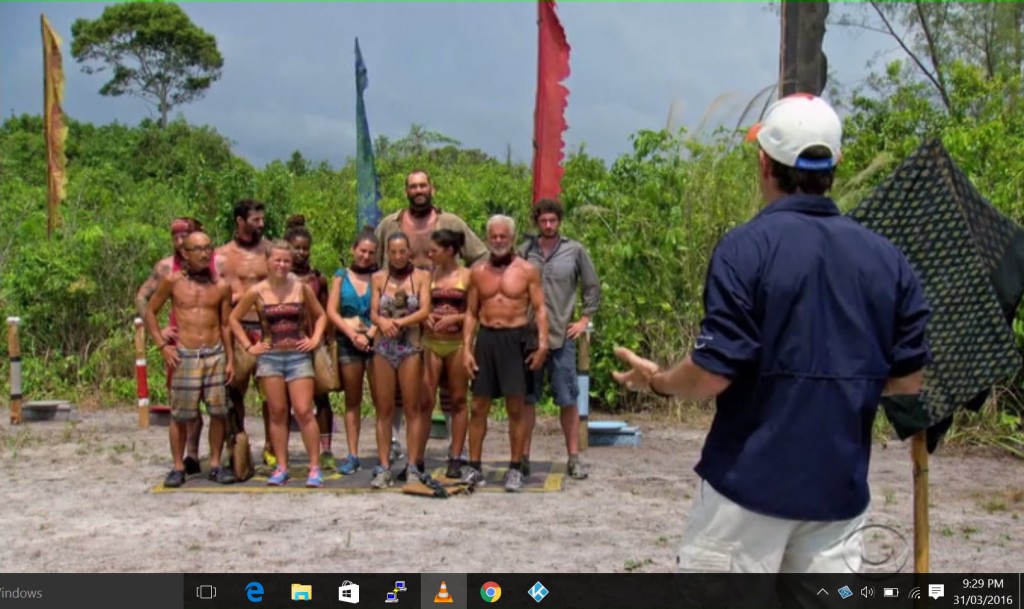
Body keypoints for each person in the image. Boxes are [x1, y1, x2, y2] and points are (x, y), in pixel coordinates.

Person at [612, 94, 931, 579]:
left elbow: (710, 375)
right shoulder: (889, 261)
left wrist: (657, 380)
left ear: (764, 162)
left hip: (748, 490)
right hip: (837, 498)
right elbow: (908, 384)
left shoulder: (746, 249)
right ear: (835, 163)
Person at [374, 170, 487, 464]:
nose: (418, 190)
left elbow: (480, 256)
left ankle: (455, 448)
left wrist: (478, 296)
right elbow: (374, 264)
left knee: (452, 389)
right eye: (413, 186)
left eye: (423, 185)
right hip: (403, 320)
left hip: (447, 314)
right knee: (407, 389)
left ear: (432, 188)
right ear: (406, 191)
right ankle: (399, 445)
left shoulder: (451, 223)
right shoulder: (390, 224)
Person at [229, 240, 329, 488]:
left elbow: (321, 315)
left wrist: (315, 339)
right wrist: (250, 346)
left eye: (286, 260)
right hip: (270, 357)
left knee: (305, 411)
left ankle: (314, 466)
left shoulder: (301, 287)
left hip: (298, 356)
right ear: (268, 262)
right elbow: (233, 318)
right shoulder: (257, 291)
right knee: (277, 413)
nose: (282, 265)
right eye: (278, 260)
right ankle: (281, 466)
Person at [461, 215, 548, 492]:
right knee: (478, 407)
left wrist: (543, 345)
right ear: (488, 238)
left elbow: (541, 309)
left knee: (516, 408)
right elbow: (471, 313)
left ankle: (515, 468)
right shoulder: (477, 272)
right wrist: (466, 349)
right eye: (494, 236)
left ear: (512, 238)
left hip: (515, 339)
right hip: (487, 340)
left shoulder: (527, 270)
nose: (498, 241)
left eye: (504, 237)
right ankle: (474, 466)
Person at [144, 230, 235, 488]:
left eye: (208, 247)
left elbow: (226, 324)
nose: (205, 253)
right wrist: (162, 345)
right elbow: (150, 311)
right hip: (185, 355)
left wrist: (230, 360)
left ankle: (215, 464)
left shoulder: (221, 286)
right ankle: (178, 466)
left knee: (218, 412)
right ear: (185, 253)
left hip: (214, 354)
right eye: (198, 249)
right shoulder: (172, 282)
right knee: (181, 415)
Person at [519, 198, 601, 480]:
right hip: (529, 338)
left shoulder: (574, 250)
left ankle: (574, 458)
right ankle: (523, 457)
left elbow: (592, 285)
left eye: (553, 220)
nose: (548, 225)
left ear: (560, 221)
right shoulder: (525, 251)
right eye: (543, 221)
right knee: (527, 400)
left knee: (568, 399)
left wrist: (584, 319)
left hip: (561, 336)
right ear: (537, 222)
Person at [135, 217, 208, 474]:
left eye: (184, 235)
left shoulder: (210, 264)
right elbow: (143, 297)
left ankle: (194, 453)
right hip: (178, 343)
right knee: (182, 403)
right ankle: (182, 458)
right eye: (175, 236)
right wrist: (159, 333)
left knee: (210, 402)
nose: (179, 241)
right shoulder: (166, 268)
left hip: (209, 343)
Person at [367, 232, 431, 488]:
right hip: (383, 347)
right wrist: (382, 321)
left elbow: (425, 310)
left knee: (412, 408)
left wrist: (401, 322)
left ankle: (413, 465)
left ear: (409, 252)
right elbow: (372, 311)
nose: (397, 256)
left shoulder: (422, 277)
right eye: (392, 252)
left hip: (410, 346)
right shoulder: (379, 278)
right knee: (384, 409)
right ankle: (383, 466)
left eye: (402, 251)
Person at [215, 200, 274, 465]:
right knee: (233, 391)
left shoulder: (271, 251)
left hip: (265, 328)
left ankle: (272, 445)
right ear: (240, 221)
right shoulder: (220, 256)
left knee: (271, 392)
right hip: (236, 329)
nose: (261, 224)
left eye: (262, 219)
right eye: (255, 220)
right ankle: (237, 444)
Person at [325, 229, 380, 475]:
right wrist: (352, 335)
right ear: (353, 249)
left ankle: (384, 455)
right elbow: (332, 311)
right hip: (349, 342)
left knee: (383, 402)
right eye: (362, 251)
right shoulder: (340, 276)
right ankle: (352, 454)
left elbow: (387, 309)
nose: (366, 256)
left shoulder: (381, 277)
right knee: (352, 400)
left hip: (376, 342)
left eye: (371, 252)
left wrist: (369, 334)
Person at [284, 215, 335, 470]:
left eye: (305, 248)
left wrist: (326, 340)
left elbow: (325, 310)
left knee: (321, 396)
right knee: (282, 401)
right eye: (297, 248)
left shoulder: (318, 278)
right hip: (286, 345)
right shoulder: (279, 279)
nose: (302, 253)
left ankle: (325, 450)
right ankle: (277, 450)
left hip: (313, 344)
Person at [422, 229, 473, 479]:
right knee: (425, 401)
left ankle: (456, 455)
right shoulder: (429, 275)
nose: (430, 254)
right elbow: (422, 306)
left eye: (434, 251)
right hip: (431, 343)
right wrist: (427, 316)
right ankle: (417, 456)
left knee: (458, 400)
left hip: (456, 344)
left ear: (450, 251)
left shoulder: (467, 276)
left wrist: (457, 317)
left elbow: (477, 313)